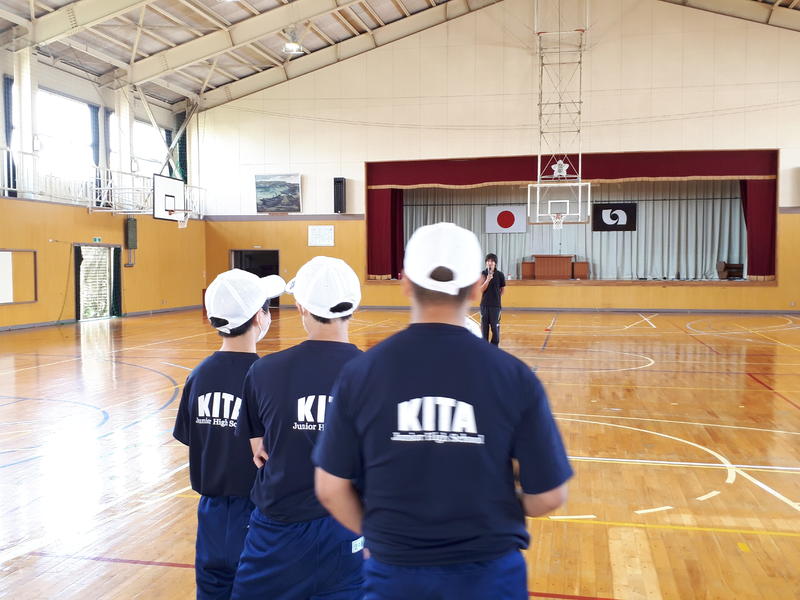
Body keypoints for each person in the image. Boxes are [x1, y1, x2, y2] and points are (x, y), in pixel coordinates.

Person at [313, 222, 572, 600]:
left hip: (396, 574)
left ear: (405, 283)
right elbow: (549, 496)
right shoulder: (514, 377)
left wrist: (381, 536)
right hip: (490, 575)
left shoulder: (361, 373)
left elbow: (330, 488)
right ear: (476, 287)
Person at [232, 256, 365, 600]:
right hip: (349, 525)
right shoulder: (378, 372)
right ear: (353, 307)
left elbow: (259, 452)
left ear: (301, 306)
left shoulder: (264, 371)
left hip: (279, 528)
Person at [173, 268, 286, 600]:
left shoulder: (198, 375)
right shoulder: (268, 378)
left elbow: (191, 437)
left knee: (212, 589)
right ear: (259, 317)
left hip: (211, 513)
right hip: (258, 513)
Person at [480, 252, 505, 345]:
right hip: (484, 306)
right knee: (484, 329)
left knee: (495, 329)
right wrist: (487, 279)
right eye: (488, 261)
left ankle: (494, 347)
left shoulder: (500, 275)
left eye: (492, 261)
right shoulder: (483, 274)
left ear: (495, 263)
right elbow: (481, 290)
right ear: (486, 263)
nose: (490, 263)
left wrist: (496, 298)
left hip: (495, 307)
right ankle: (485, 347)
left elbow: (502, 290)